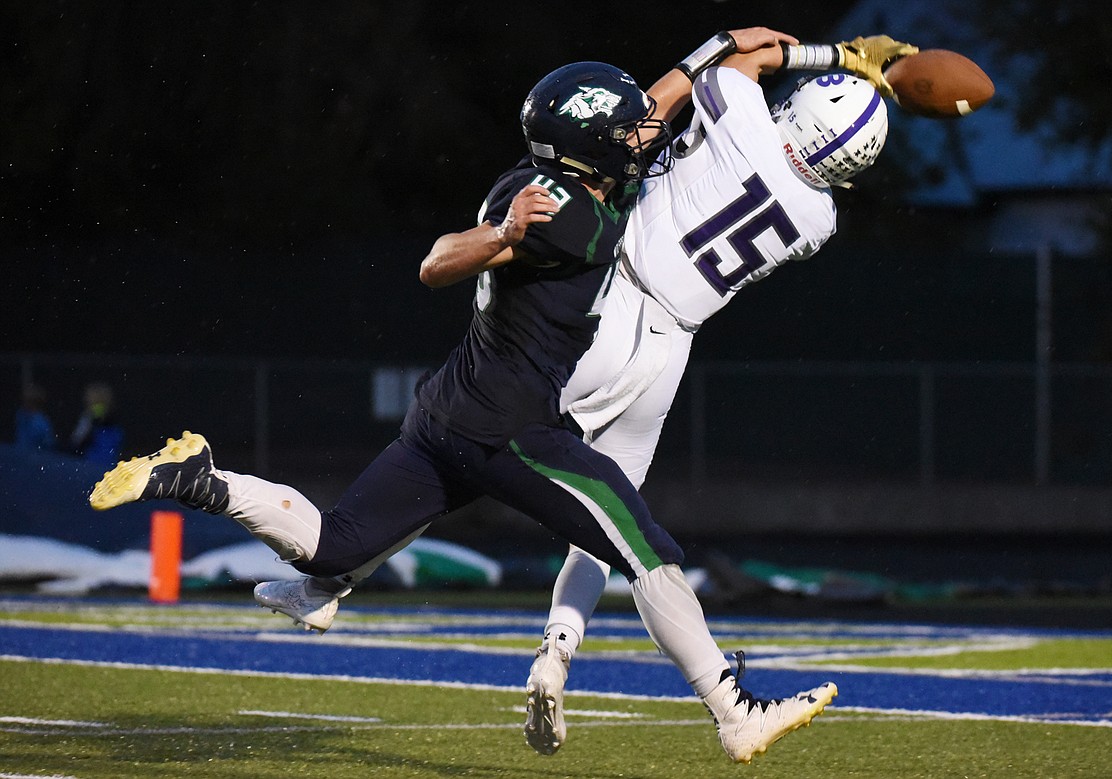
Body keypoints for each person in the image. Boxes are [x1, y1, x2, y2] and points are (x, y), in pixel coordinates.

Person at [89, 28, 840, 764]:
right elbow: (438, 262)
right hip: (512, 431)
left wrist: (715, 47)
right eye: (624, 128)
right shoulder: (566, 214)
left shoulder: (540, 175)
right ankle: (734, 712)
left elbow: (651, 112)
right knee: (647, 550)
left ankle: (204, 480)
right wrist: (500, 234)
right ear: (593, 147)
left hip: (445, 410)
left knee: (333, 543)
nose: (641, 129)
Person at [525, 35, 915, 754]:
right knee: (619, 531)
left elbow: (735, 61)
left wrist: (832, 57)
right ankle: (560, 648)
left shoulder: (744, 119)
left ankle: (337, 569)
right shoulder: (819, 221)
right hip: (669, 346)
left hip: (608, 304)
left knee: (471, 434)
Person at [68, 382, 125, 466]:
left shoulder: (114, 425)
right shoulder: (87, 419)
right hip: (87, 465)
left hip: (105, 466)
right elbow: (75, 443)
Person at [13, 383, 56, 452]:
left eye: (27, 401)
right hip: (19, 456)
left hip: (35, 459)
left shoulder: (42, 423)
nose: (24, 403)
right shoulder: (21, 415)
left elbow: (49, 446)